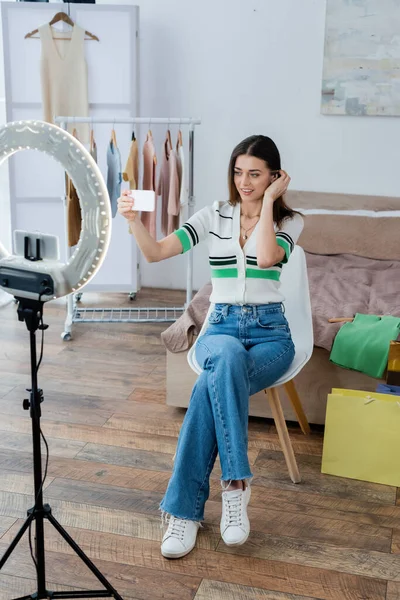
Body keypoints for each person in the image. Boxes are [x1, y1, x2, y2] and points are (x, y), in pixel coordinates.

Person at [117, 134, 304, 559]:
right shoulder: (214, 216)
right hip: (219, 329)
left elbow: (267, 259)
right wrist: (132, 220)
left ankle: (184, 512)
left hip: (271, 335)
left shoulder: (291, 222)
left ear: (275, 177)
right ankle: (235, 486)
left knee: (209, 387)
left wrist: (271, 203)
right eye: (239, 172)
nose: (244, 182)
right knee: (227, 357)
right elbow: (158, 252)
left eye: (255, 174)